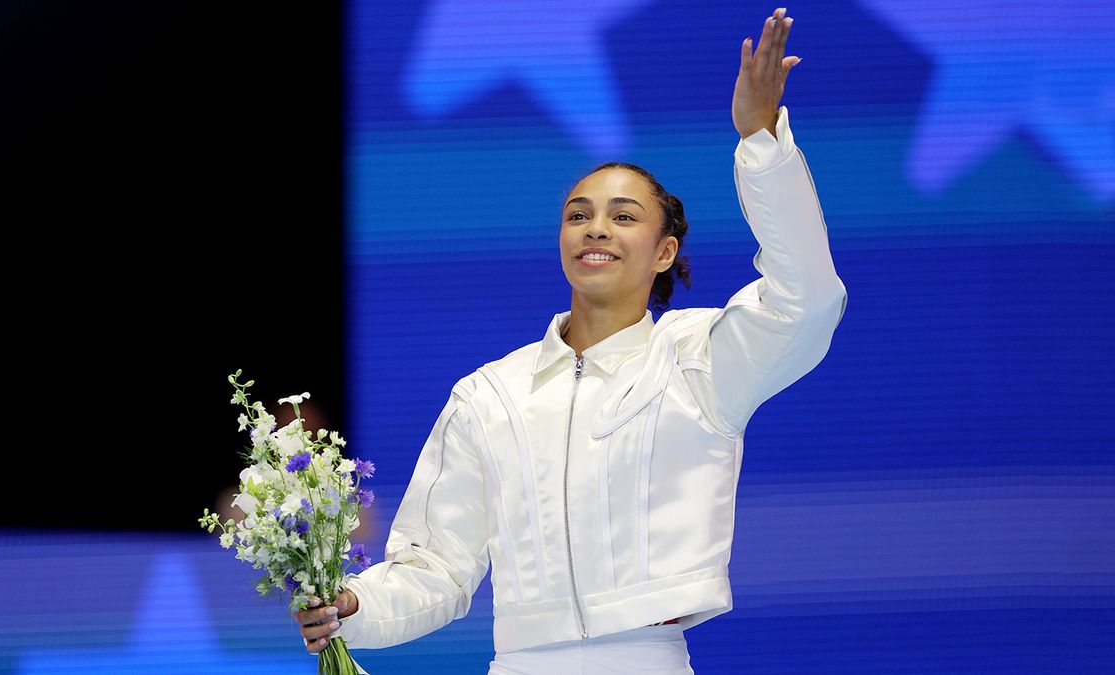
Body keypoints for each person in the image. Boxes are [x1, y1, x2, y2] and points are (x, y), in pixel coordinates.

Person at [296, 7, 846, 673]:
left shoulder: (698, 360)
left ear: (665, 250)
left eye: (623, 216)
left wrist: (761, 142)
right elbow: (437, 564)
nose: (596, 229)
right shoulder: (489, 394)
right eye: (578, 215)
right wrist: (356, 602)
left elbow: (808, 299)